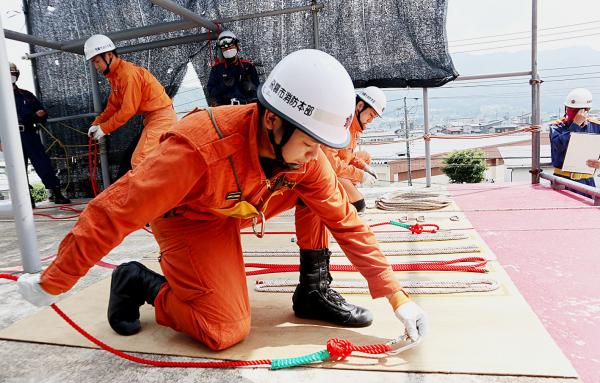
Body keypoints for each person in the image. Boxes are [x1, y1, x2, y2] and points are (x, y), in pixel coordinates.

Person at [16, 49, 427, 351]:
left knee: (335, 197)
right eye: (308, 142)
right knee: (224, 330)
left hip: (242, 204)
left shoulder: (306, 159)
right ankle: (139, 282)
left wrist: (398, 297)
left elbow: (344, 221)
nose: (313, 155)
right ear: (272, 121)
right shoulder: (197, 149)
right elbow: (114, 211)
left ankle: (313, 291)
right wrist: (55, 281)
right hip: (189, 216)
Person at [84, 34, 177, 170]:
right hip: (154, 119)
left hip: (162, 118)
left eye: (97, 61)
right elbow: (114, 106)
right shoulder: (116, 76)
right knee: (138, 160)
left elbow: (128, 110)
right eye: (93, 62)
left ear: (109, 55)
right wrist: (97, 123)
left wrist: (105, 128)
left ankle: (162, 190)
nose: (96, 66)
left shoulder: (127, 75)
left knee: (140, 160)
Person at [1, 62, 70, 207]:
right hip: (10, 138)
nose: (10, 77)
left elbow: (41, 113)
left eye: (12, 74)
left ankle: (57, 193)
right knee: (17, 168)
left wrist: (40, 115)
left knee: (42, 163)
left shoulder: (26, 95)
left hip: (29, 134)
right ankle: (27, 199)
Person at [323, 86, 386, 213]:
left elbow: (347, 155)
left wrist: (364, 167)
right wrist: (361, 175)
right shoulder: (341, 124)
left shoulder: (354, 127)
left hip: (335, 169)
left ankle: (344, 193)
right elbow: (331, 164)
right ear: (360, 106)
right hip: (325, 173)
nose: (371, 120)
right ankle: (341, 197)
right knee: (359, 205)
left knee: (364, 156)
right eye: (371, 115)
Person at [550, 88, 600, 191]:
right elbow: (558, 146)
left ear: (586, 110)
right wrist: (575, 126)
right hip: (562, 181)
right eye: (569, 108)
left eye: (577, 109)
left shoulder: (596, 127)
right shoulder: (557, 127)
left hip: (587, 182)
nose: (571, 112)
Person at [206, 30, 260, 106]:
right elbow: (211, 92)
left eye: (230, 46)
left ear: (237, 46)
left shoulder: (247, 66)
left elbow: (258, 91)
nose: (228, 50)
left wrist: (251, 88)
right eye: (224, 48)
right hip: (226, 110)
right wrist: (223, 86)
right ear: (221, 50)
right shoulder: (217, 69)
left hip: (246, 107)